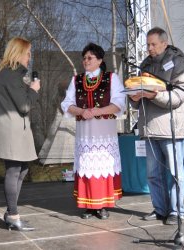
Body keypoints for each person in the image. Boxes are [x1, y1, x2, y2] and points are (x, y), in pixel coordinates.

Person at [129, 27, 184, 225]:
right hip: (149, 128)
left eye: (153, 44)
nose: (149, 48)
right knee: (153, 174)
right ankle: (160, 209)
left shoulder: (179, 63)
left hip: (170, 128)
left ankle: (176, 212)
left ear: (164, 43)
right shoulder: (145, 64)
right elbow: (138, 99)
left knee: (174, 174)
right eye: (147, 44)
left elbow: (179, 96)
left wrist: (153, 95)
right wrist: (134, 97)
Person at [0, 37, 40, 231]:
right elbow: (24, 105)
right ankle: (13, 215)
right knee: (14, 170)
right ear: (19, 52)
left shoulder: (7, 74)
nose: (30, 57)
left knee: (21, 170)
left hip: (13, 129)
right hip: (11, 130)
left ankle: (11, 212)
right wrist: (34, 90)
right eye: (28, 53)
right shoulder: (13, 75)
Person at [61, 43, 126, 220]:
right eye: (84, 58)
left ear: (99, 60)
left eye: (89, 57)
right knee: (86, 166)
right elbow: (66, 104)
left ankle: (103, 205)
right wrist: (81, 111)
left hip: (104, 133)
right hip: (85, 133)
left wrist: (97, 111)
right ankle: (89, 206)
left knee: (103, 166)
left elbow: (119, 103)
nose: (85, 61)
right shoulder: (77, 80)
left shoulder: (111, 78)